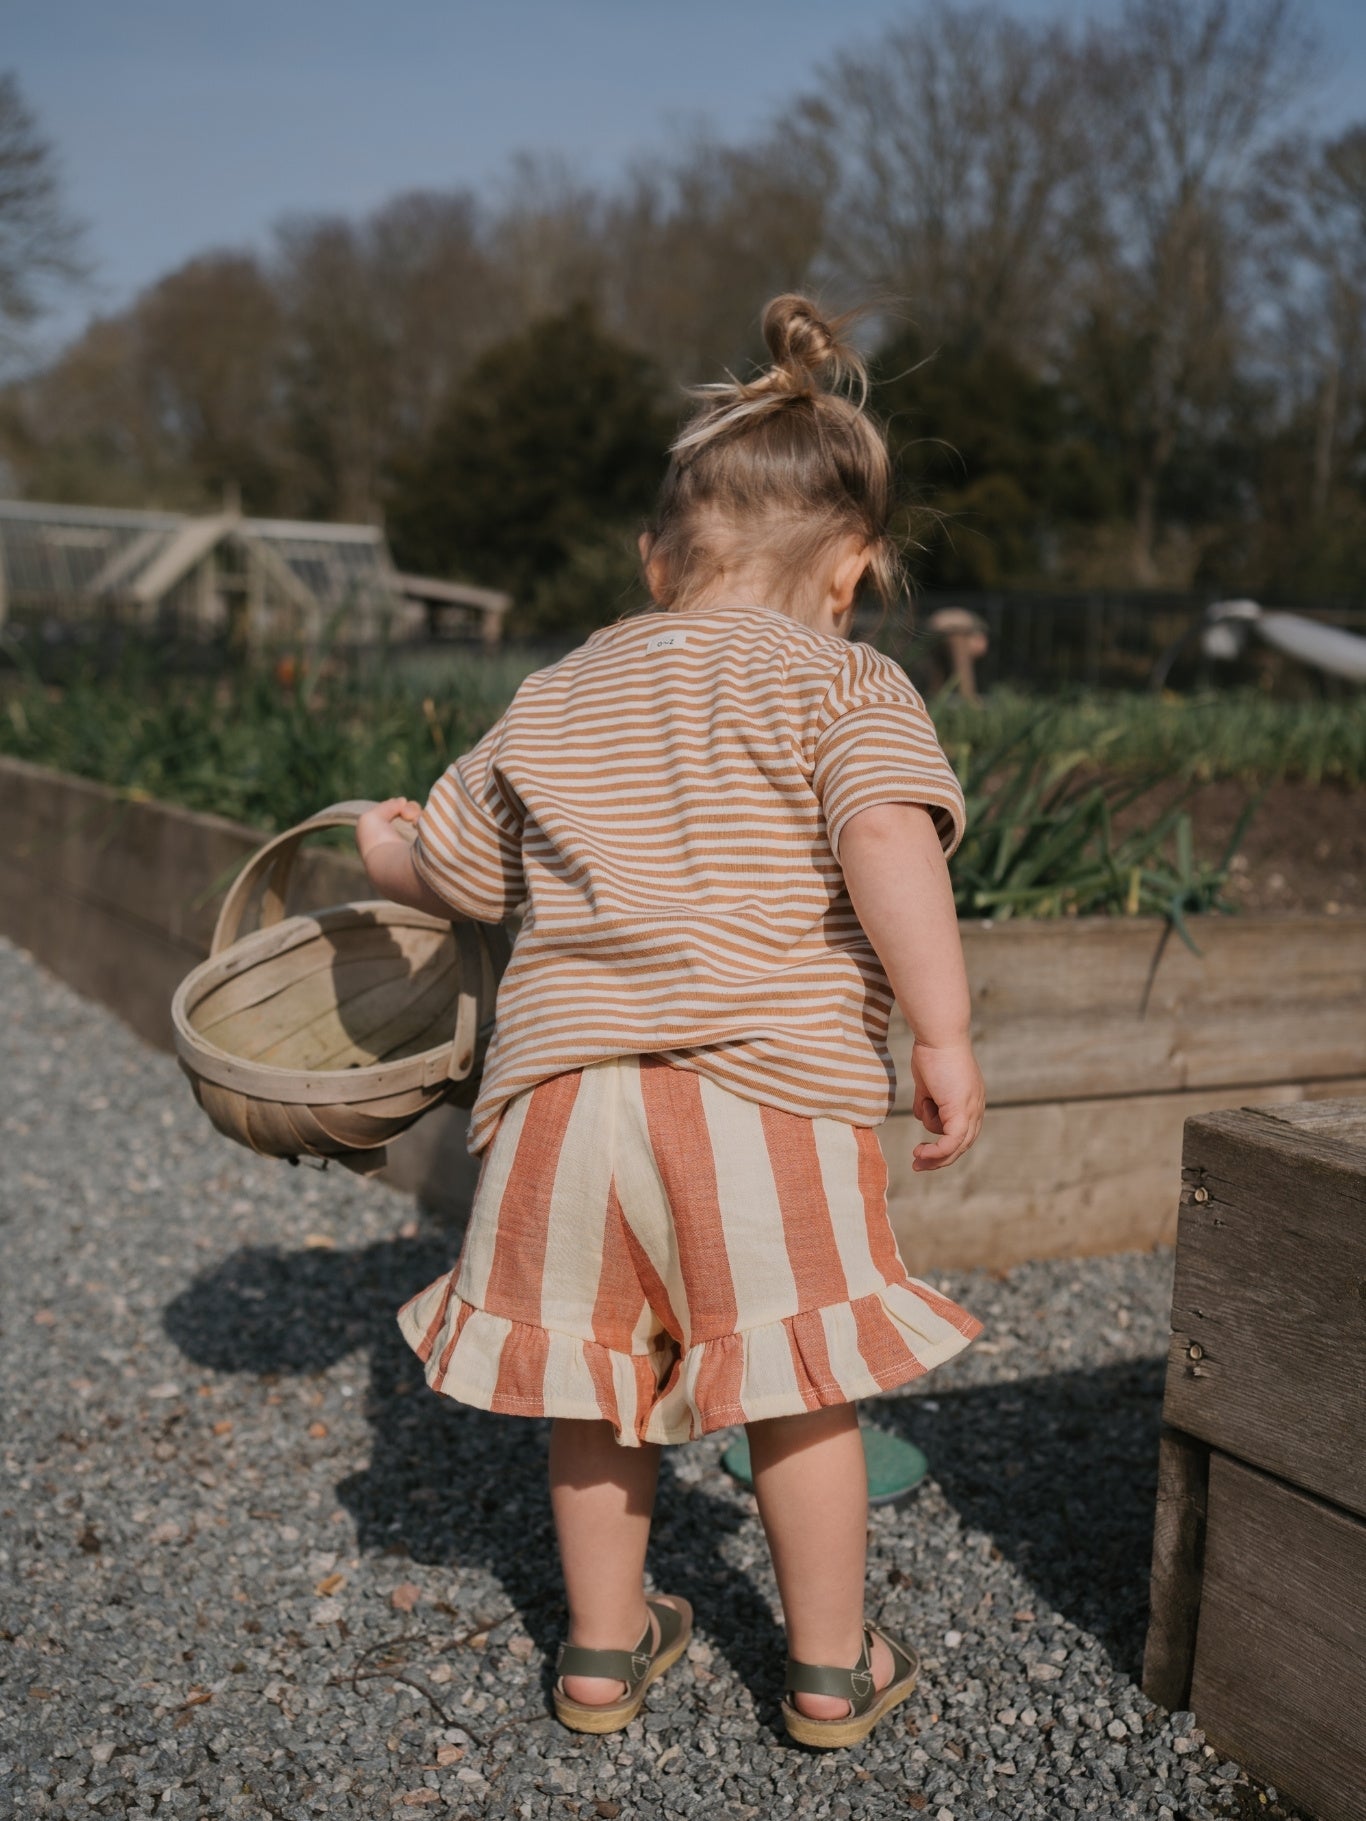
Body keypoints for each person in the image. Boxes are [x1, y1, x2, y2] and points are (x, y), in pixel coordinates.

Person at [356, 294, 985, 1750]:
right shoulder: (843, 678)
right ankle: (827, 1669)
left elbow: (446, 868)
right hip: (760, 1089)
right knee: (797, 1383)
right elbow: (889, 839)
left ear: (654, 563)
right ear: (853, 570)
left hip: (564, 1103)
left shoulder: (559, 688)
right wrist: (942, 1035)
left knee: (597, 1387)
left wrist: (380, 837)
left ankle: (599, 1649)